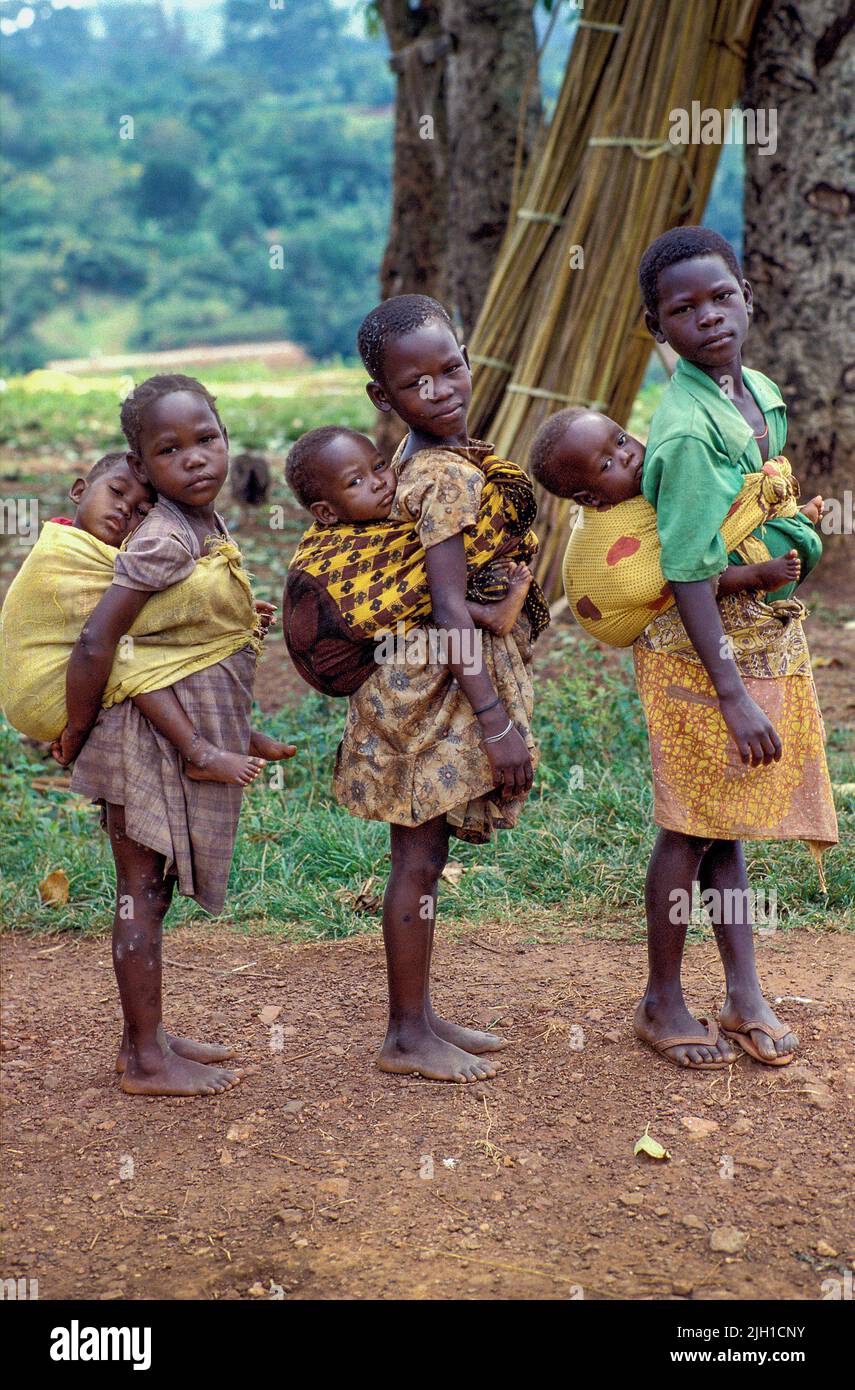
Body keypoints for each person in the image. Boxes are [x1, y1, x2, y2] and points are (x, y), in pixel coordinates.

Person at [623, 226, 837, 1070]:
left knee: (728, 822)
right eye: (683, 309)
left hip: (749, 637)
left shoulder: (758, 393)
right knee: (689, 827)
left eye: (719, 297)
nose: (707, 316)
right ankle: (661, 999)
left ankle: (743, 993)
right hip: (696, 653)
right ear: (657, 328)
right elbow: (685, 571)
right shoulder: (685, 431)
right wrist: (731, 695)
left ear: (745, 296)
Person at [53, 374, 295, 1096]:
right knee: (139, 890)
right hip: (138, 740)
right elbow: (98, 640)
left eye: (206, 439)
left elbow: (178, 634)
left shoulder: (202, 524)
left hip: (165, 733)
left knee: (150, 893)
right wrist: (75, 728)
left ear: (225, 437)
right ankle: (143, 1059)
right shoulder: (163, 536)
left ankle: (147, 1035)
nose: (194, 458)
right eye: (169, 450)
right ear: (141, 463)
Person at [327, 294, 546, 1083]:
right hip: (427, 697)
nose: (442, 388)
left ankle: (417, 1017)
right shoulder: (447, 475)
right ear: (383, 397)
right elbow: (451, 608)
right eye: (416, 382)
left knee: (422, 853)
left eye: (450, 367)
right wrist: (494, 721)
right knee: (417, 859)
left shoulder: (419, 461)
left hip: (414, 683)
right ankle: (404, 1035)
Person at [1, 448, 289, 785]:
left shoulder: (115, 558)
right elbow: (134, 618)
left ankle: (228, 732)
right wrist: (224, 607)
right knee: (129, 659)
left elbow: (149, 608)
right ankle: (199, 752)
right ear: (79, 491)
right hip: (42, 693)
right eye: (116, 491)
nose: (125, 508)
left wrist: (229, 610)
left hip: (68, 674)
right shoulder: (61, 553)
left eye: (141, 511)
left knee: (141, 648)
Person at [529, 408, 824, 646]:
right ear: (590, 499)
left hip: (664, 580)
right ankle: (756, 574)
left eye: (621, 440)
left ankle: (790, 517)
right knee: (690, 567)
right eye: (607, 465)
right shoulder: (610, 533)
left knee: (704, 526)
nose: (626, 455)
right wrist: (753, 572)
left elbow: (707, 507)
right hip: (637, 607)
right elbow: (679, 573)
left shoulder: (647, 483)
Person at [282, 424, 539, 697]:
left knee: (434, 572)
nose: (378, 482)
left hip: (382, 644)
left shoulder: (395, 520)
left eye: (379, 466)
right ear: (326, 513)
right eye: (355, 482)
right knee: (435, 579)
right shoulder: (333, 550)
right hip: (343, 660)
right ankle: (490, 616)